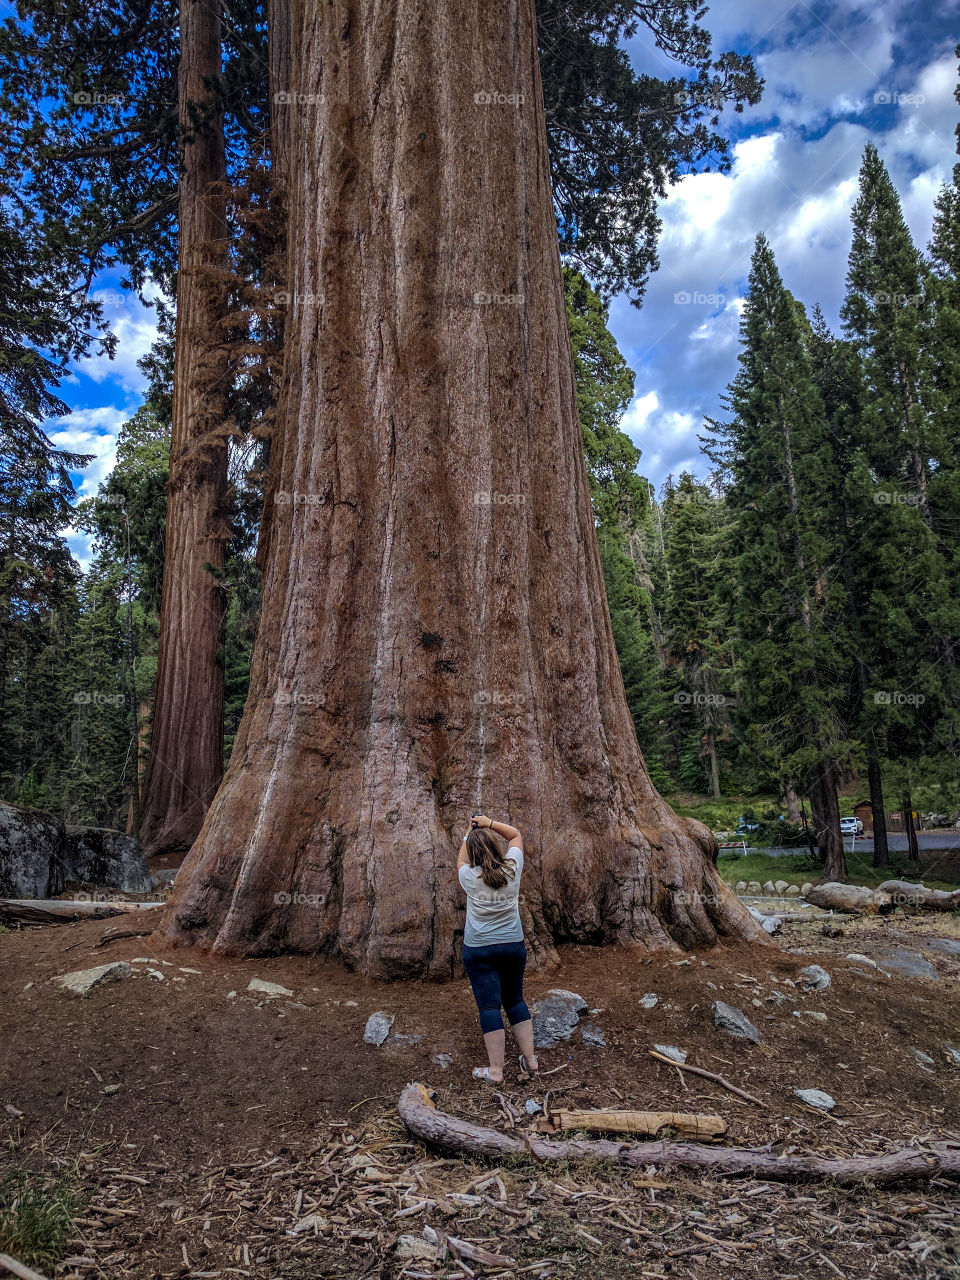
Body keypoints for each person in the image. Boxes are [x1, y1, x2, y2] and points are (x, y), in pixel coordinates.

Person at [457, 813, 539, 1083]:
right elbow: (515, 835)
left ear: (473, 853)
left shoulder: (469, 876)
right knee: (515, 1000)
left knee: (489, 1007)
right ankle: (530, 1061)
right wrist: (487, 823)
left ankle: (495, 1072)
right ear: (495, 848)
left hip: (479, 949)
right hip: (512, 946)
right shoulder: (512, 868)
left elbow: (461, 859)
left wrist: (469, 833)